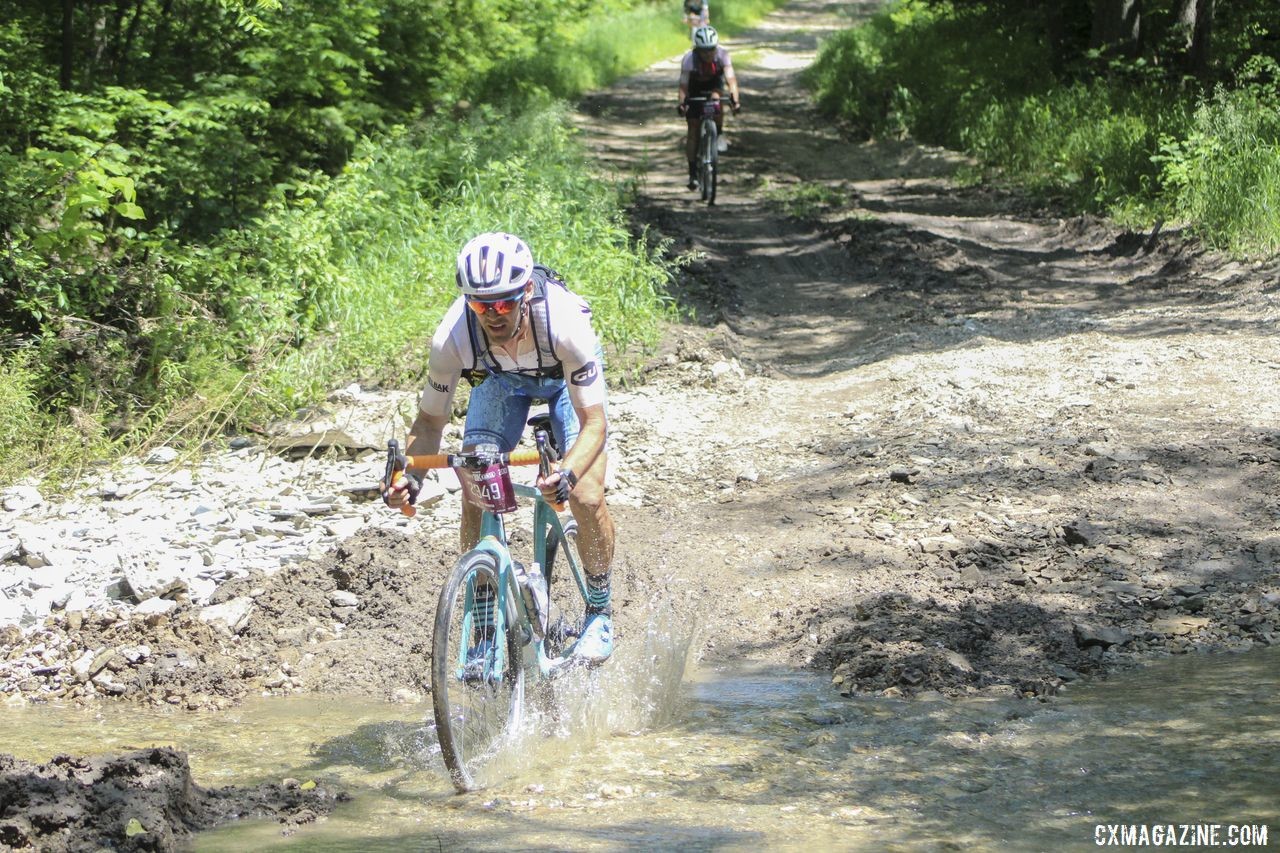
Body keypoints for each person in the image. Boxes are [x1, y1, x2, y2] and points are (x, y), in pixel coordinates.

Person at [385, 232, 616, 664]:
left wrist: (565, 475)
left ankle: (600, 611)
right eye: (480, 304)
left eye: (505, 303)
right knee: (476, 477)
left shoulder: (566, 324)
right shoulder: (452, 337)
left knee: (585, 494)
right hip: (503, 383)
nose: (493, 314)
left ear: (526, 291)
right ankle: (486, 615)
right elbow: (431, 420)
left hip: (565, 383)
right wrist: (410, 479)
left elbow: (594, 423)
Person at [677, 25, 740, 191]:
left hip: (714, 85)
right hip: (694, 87)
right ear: (697, 49)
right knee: (693, 129)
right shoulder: (689, 59)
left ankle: (718, 132)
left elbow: (731, 80)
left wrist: (735, 100)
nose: (708, 54)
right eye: (704, 50)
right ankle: (692, 173)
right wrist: (682, 103)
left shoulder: (723, 56)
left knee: (716, 100)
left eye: (711, 49)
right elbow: (683, 86)